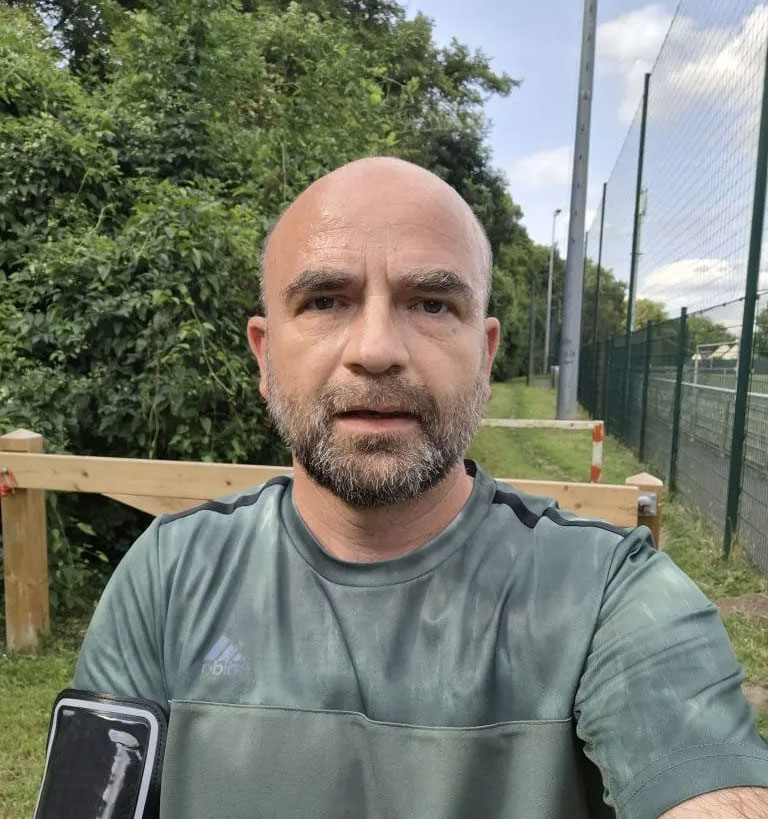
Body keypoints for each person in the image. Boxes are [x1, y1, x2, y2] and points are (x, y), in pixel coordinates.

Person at [70, 158, 768, 818]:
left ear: (485, 356)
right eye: (324, 301)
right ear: (265, 354)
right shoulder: (168, 576)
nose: (376, 349)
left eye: (431, 304)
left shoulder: (608, 594)